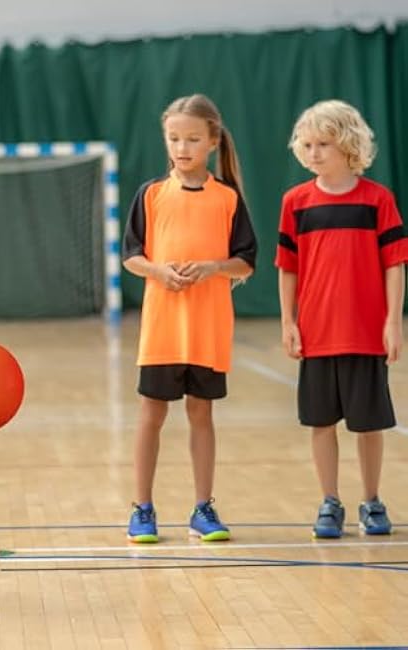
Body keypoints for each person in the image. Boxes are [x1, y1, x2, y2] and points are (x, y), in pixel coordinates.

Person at [122, 94, 257, 543]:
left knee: (202, 414)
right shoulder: (152, 195)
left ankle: (203, 508)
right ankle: (142, 508)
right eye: (174, 138)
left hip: (208, 329)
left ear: (213, 142)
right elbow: (132, 256)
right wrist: (159, 271)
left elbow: (246, 262)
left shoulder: (227, 198)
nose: (182, 147)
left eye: (193, 139)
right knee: (151, 414)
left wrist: (214, 266)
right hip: (162, 329)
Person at [276, 99, 408, 539]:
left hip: (366, 334)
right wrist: (288, 322)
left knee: (369, 425)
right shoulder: (295, 202)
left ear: (348, 145)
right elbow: (288, 267)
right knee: (320, 423)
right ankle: (329, 502)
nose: (313, 152)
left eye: (324, 144)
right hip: (316, 334)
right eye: (307, 144)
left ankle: (372, 501)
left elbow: (394, 263)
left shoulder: (378, 199)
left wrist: (393, 322)